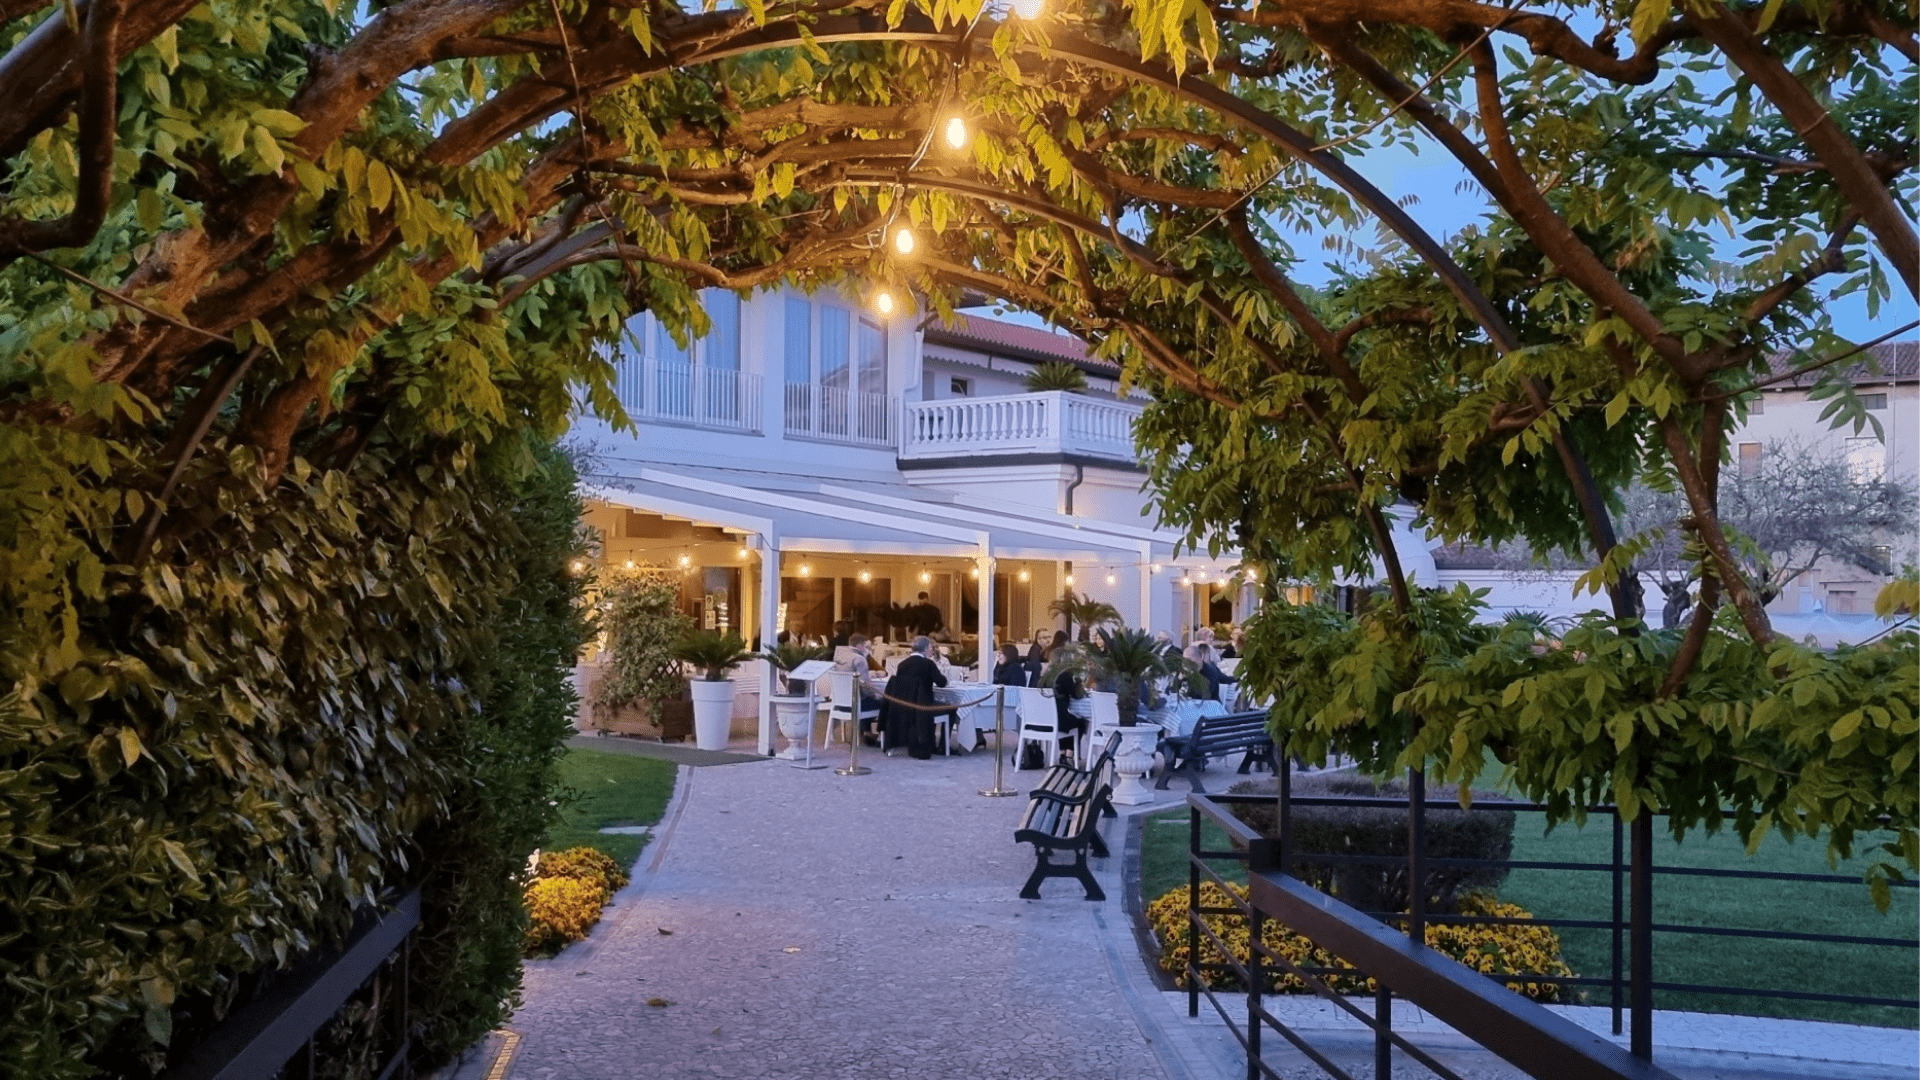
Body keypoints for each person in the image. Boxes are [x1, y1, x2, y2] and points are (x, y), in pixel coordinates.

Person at [882, 636, 949, 760]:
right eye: (930, 648)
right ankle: (943, 747)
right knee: (951, 708)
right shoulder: (928, 664)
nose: (931, 651)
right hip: (923, 707)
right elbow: (942, 682)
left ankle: (931, 741)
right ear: (926, 649)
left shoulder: (902, 665)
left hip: (904, 706)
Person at [843, 635, 884, 744]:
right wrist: (877, 696)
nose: (867, 649)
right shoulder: (860, 659)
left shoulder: (840, 656)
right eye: (866, 646)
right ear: (860, 646)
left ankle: (864, 732)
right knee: (884, 702)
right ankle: (881, 737)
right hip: (856, 705)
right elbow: (865, 686)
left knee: (866, 698)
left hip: (841, 704)